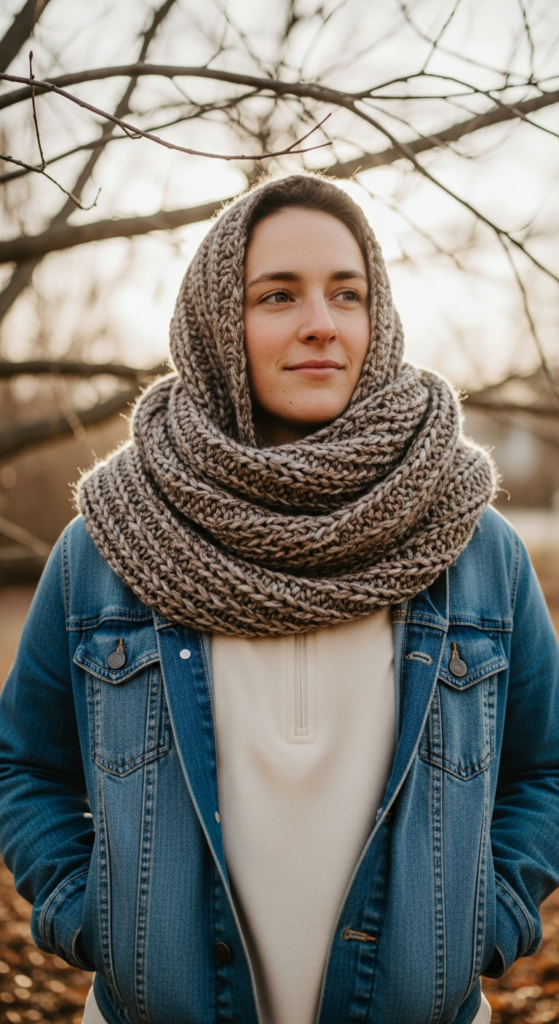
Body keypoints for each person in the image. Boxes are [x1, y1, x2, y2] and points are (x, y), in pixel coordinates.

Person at [0, 173, 558, 1024]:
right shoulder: (109, 544)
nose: (321, 324)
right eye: (277, 295)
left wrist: (484, 922)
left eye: (347, 292)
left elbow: (544, 769)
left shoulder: (475, 550)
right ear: (217, 325)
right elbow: (25, 767)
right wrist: (96, 922)